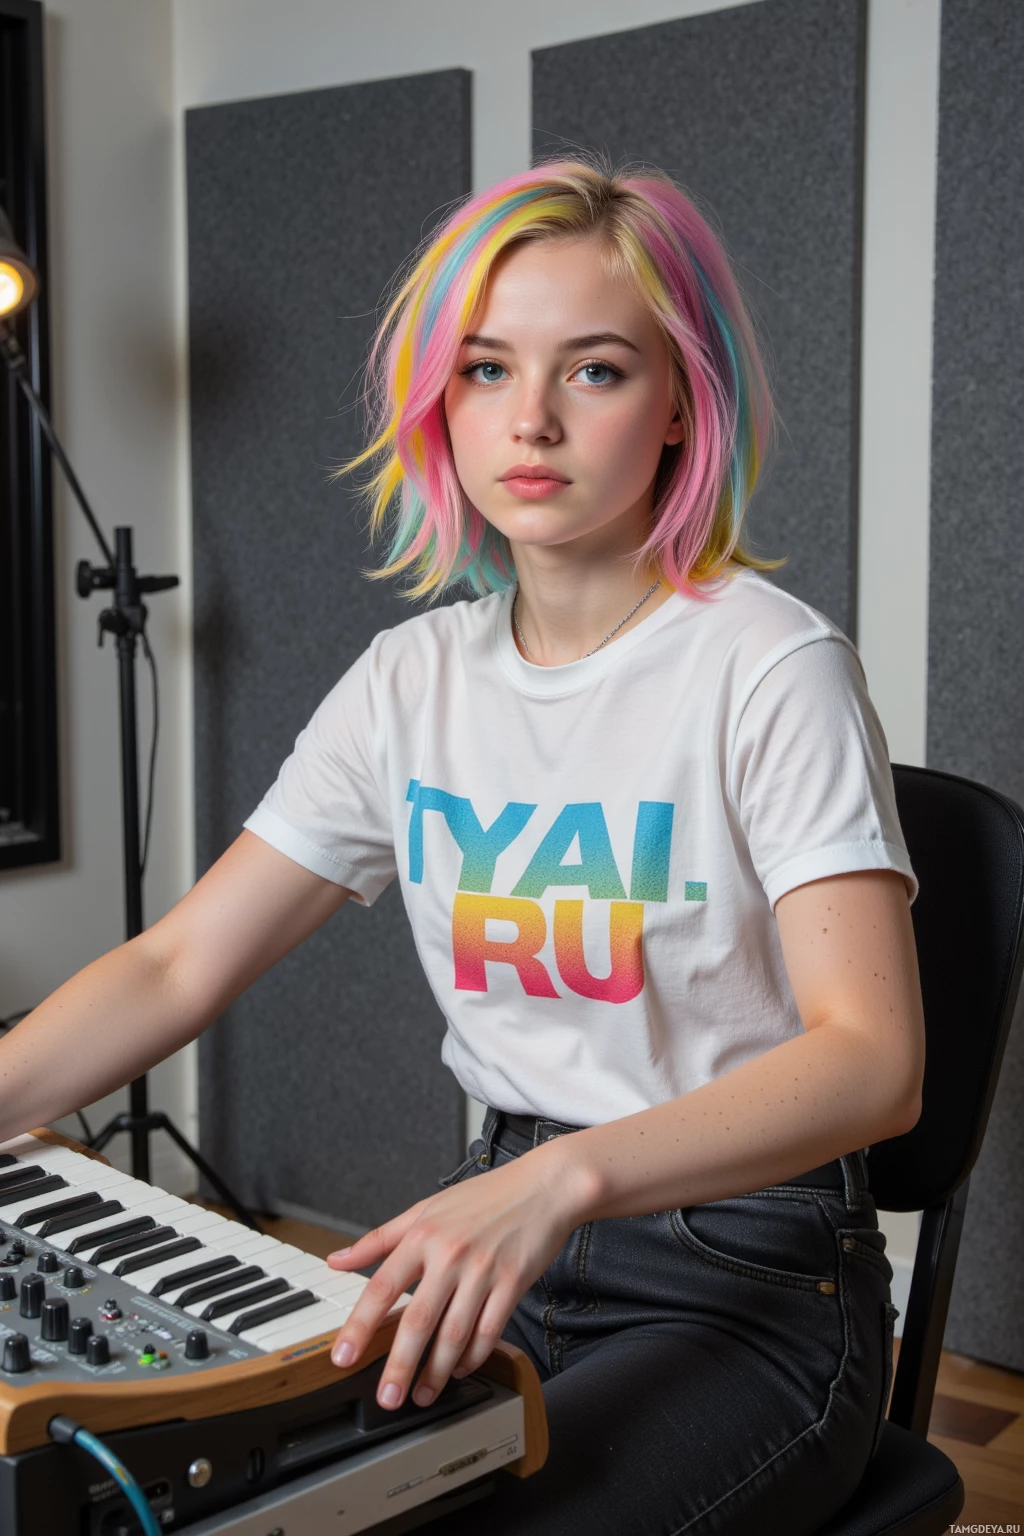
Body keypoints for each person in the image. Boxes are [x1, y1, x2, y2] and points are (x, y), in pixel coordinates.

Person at [0, 157, 925, 1534]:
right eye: (488, 369)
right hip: (499, 1242)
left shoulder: (770, 668)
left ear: (682, 402)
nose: (531, 419)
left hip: (744, 1282)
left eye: (595, 370)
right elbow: (179, 963)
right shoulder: (410, 679)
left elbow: (874, 1061)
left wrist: (561, 1179)